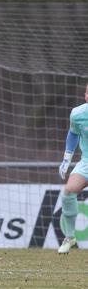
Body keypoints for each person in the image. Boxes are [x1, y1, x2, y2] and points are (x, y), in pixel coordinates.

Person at [57, 83, 88, 254]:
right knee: (69, 191)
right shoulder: (77, 114)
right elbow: (73, 134)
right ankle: (69, 237)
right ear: (85, 96)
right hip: (86, 162)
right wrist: (66, 160)